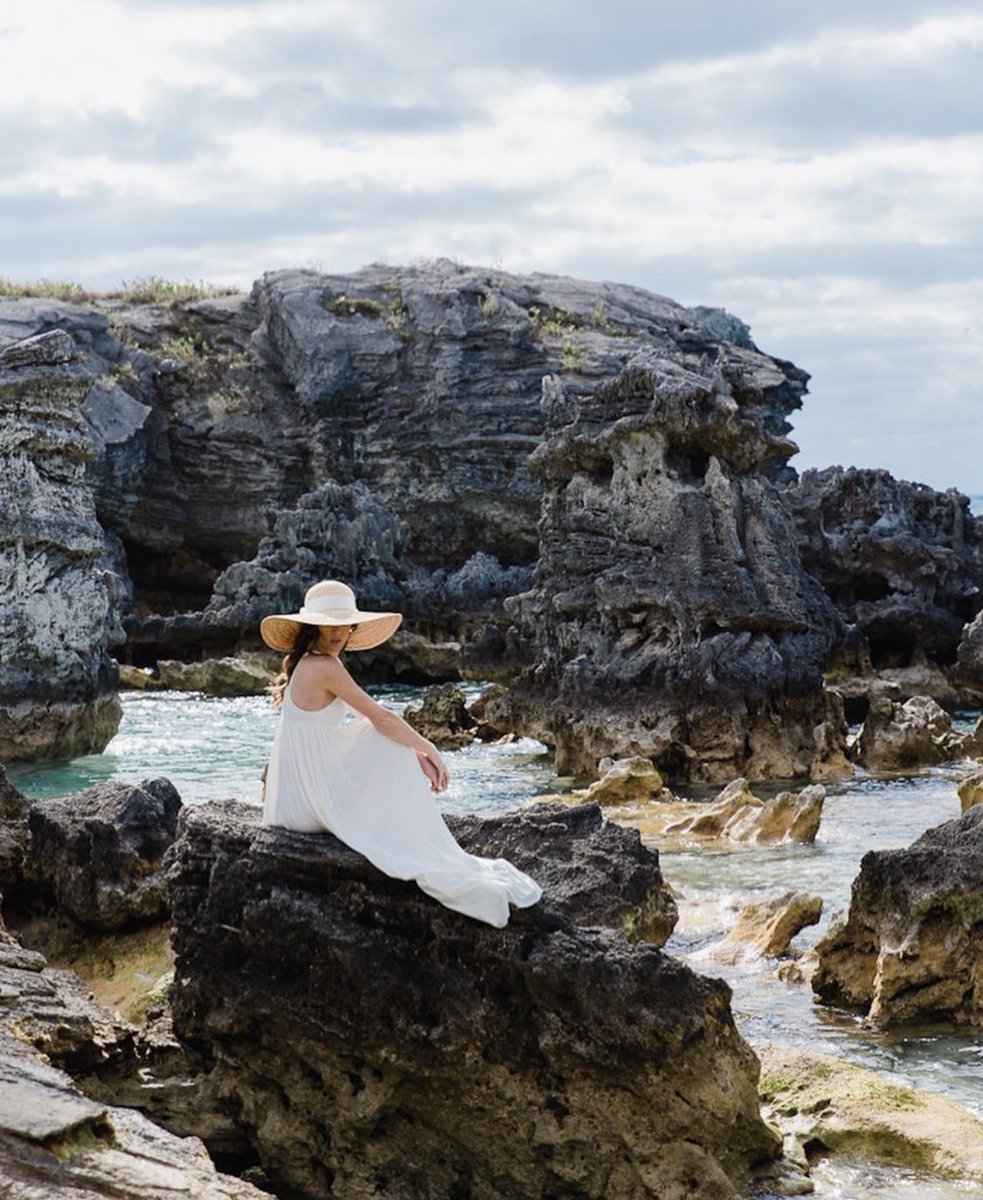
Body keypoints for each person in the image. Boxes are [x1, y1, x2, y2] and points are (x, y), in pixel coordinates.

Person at [260, 579, 542, 927]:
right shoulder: (325, 667)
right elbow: (379, 717)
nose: (338, 633)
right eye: (330, 624)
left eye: (345, 624)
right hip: (304, 806)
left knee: (381, 735)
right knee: (381, 735)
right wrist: (427, 748)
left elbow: (370, 717)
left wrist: (413, 755)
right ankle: (418, 839)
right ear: (314, 625)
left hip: (292, 801)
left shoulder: (308, 661)